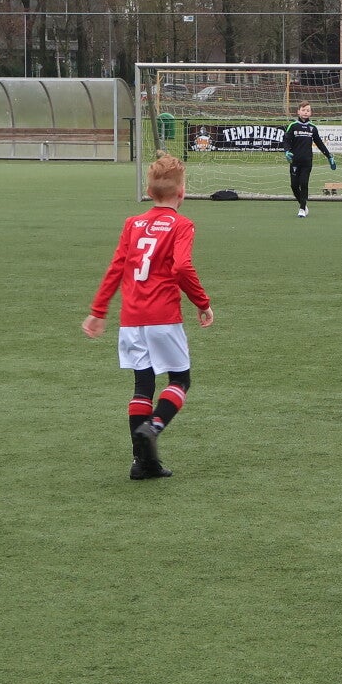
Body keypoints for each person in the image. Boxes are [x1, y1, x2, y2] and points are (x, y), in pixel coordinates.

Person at [82, 153, 214, 480]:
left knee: (143, 385)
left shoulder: (132, 224)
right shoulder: (181, 225)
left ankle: (142, 463)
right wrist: (202, 302)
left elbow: (116, 268)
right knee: (180, 380)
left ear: (149, 191)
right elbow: (182, 267)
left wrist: (98, 311)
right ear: (182, 192)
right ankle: (153, 427)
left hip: (131, 319)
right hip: (163, 316)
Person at [283, 100, 336, 218]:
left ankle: (302, 209)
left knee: (304, 183)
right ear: (298, 111)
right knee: (294, 185)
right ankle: (303, 204)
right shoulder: (293, 126)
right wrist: (286, 151)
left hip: (307, 161)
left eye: (308, 110)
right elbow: (286, 140)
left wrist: (329, 156)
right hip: (295, 161)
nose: (305, 112)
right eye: (303, 110)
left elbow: (320, 144)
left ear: (311, 113)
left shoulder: (312, 128)